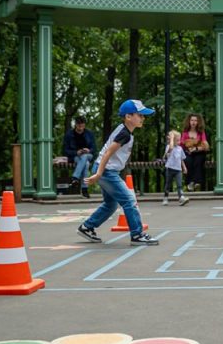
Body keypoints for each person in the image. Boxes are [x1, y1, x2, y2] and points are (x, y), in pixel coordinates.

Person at [77, 99, 159, 246]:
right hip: (106, 171)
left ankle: (87, 227)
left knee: (111, 204)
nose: (143, 118)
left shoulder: (126, 131)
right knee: (129, 200)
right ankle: (137, 235)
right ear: (128, 117)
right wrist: (99, 174)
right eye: (140, 115)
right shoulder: (124, 134)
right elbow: (108, 153)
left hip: (105, 169)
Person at [63, 116, 96, 198]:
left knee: (85, 156)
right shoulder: (69, 134)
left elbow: (94, 148)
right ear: (75, 124)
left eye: (82, 125)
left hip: (88, 155)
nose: (80, 127)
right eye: (78, 125)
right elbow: (65, 150)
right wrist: (76, 152)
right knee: (86, 164)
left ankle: (75, 177)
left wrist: (89, 150)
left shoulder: (89, 134)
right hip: (75, 157)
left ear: (84, 125)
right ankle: (84, 190)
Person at [181, 113, 209, 191]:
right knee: (188, 161)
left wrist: (196, 148)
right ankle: (190, 182)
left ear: (198, 122)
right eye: (192, 120)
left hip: (199, 152)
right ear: (189, 121)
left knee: (198, 160)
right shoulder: (185, 133)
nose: (193, 122)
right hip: (188, 152)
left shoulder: (201, 132)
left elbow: (205, 146)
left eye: (195, 120)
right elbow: (181, 144)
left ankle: (197, 182)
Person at [162, 130, 189, 206]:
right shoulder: (169, 147)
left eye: (179, 140)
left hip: (178, 170)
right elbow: (170, 148)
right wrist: (171, 138)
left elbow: (181, 159)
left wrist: (184, 167)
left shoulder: (180, 148)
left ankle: (181, 198)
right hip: (169, 169)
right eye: (177, 140)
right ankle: (165, 198)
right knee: (168, 185)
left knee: (179, 184)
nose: (179, 142)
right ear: (172, 140)